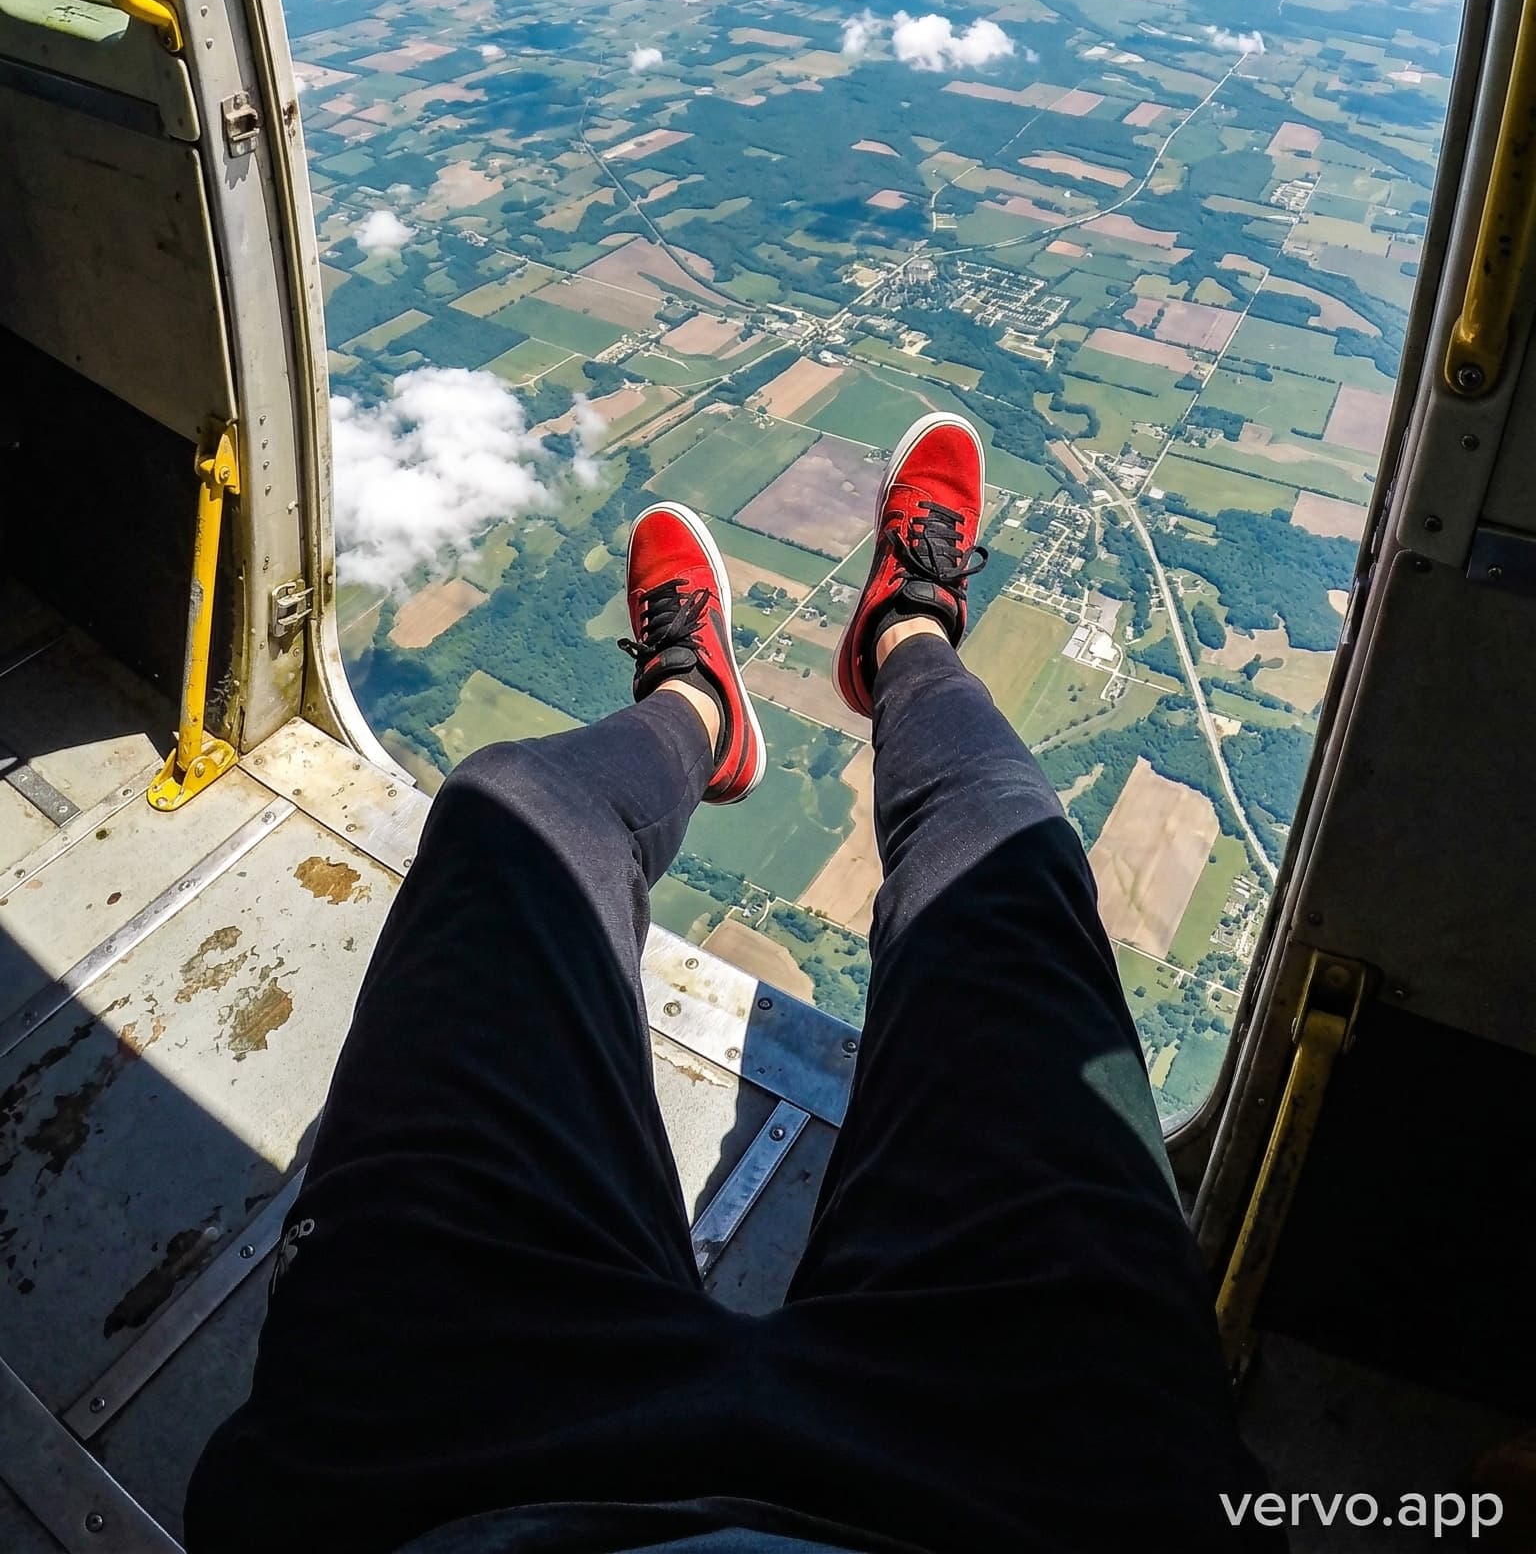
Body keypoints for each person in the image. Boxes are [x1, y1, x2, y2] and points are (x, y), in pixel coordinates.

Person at [185, 413, 1270, 1553]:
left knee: (502, 812)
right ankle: (908, 626)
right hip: (1065, 1499)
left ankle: (693, 698)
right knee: (1011, 857)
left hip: (428, 1485)